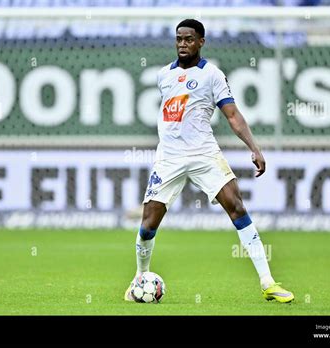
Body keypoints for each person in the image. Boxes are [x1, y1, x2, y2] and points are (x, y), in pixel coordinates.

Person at [124, 19, 294, 303]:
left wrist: (254, 147)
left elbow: (233, 116)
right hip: (169, 158)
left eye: (189, 39)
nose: (182, 44)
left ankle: (268, 282)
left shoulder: (212, 75)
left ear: (201, 42)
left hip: (204, 153)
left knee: (236, 206)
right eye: (179, 39)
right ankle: (140, 276)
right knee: (147, 225)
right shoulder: (163, 75)